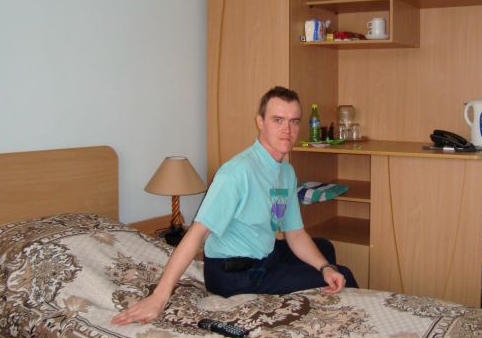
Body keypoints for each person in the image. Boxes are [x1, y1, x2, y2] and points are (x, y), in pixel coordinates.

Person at [112, 86, 357, 326]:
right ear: (260, 122)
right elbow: (197, 234)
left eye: (294, 121)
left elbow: (295, 233)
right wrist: (159, 296)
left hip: (264, 256)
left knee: (325, 250)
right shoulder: (237, 173)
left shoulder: (286, 172)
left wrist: (325, 267)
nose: (287, 129)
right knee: (343, 273)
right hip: (234, 273)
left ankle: (322, 295)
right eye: (278, 120)